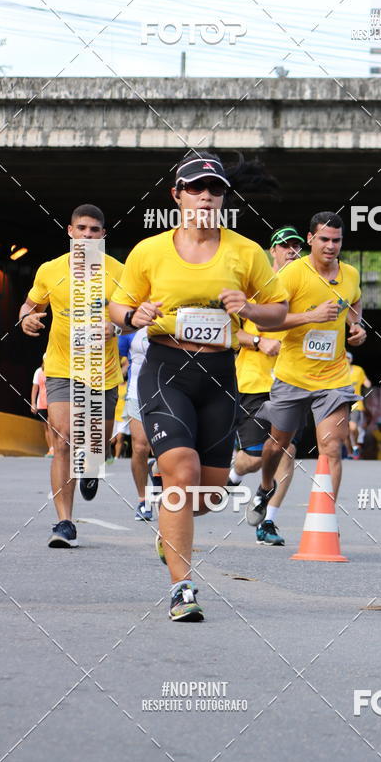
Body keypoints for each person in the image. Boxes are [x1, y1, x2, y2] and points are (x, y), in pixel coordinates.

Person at [109, 151, 288, 622]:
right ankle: (181, 588)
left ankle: (170, 527)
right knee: (181, 472)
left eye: (215, 189)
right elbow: (118, 307)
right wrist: (134, 315)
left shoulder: (245, 252)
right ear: (177, 195)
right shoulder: (149, 251)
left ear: (223, 198)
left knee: (206, 498)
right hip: (166, 368)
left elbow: (278, 312)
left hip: (219, 375)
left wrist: (248, 308)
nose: (205, 196)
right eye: (195, 188)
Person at [249, 211, 366, 526]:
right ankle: (265, 486)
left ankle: (324, 520)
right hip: (293, 376)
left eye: (336, 240)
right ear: (311, 239)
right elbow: (265, 322)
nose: (330, 246)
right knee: (277, 445)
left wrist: (357, 327)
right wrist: (310, 317)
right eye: (324, 239)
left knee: (332, 447)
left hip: (334, 377)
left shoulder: (350, 274)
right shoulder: (291, 274)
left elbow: (354, 302)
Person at [19, 204, 124, 548]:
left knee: (95, 443)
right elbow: (31, 305)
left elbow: (135, 315)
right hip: (62, 367)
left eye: (94, 230)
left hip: (103, 372)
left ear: (103, 235)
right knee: (63, 440)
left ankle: (93, 464)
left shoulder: (119, 272)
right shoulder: (50, 270)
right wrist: (26, 318)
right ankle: (64, 522)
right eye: (81, 229)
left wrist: (115, 327)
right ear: (70, 231)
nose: (87, 235)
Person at [229, 225, 304, 546]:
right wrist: (259, 342)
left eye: (296, 246)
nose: (292, 251)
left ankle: (267, 519)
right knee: (254, 457)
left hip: (292, 382)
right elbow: (230, 332)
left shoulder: (305, 289)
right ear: (272, 251)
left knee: (288, 450)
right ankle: (234, 474)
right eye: (285, 246)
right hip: (254, 382)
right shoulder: (254, 288)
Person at [118, 326, 154, 520]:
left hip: (169, 392)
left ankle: (161, 479)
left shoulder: (172, 317)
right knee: (140, 447)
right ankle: (143, 500)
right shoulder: (130, 325)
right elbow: (113, 355)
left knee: (165, 449)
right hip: (136, 393)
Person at [346, 352, 371, 459]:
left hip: (355, 404)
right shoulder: (337, 370)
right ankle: (349, 453)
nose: (345, 359)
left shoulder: (358, 370)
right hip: (341, 403)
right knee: (345, 432)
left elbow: (366, 381)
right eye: (343, 358)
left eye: (347, 358)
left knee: (353, 428)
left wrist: (367, 383)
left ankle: (355, 446)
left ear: (351, 360)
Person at [31, 356, 52, 455]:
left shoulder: (55, 371)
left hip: (52, 403)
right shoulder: (38, 371)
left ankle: (56, 448)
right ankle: (51, 449)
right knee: (46, 427)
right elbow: (35, 389)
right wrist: (33, 403)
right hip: (41, 404)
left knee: (52, 425)